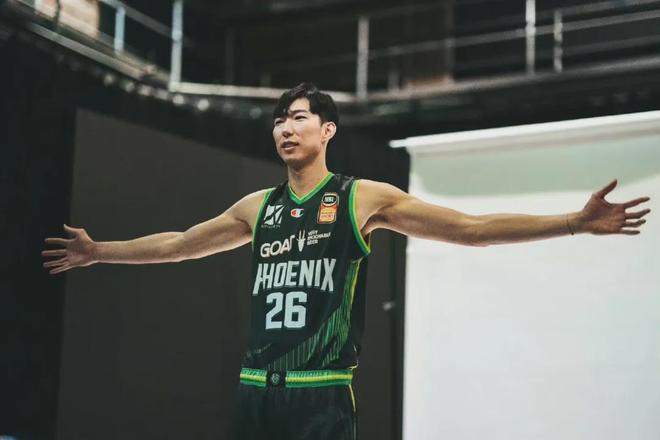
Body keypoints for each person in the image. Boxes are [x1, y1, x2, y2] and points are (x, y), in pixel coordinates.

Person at [42, 82, 651, 440]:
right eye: (278, 121)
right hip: (255, 392)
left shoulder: (361, 198)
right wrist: (98, 251)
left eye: (298, 118)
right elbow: (179, 243)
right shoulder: (257, 208)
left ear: (327, 130)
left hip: (322, 396)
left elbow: (471, 230)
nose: (285, 128)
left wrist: (572, 222)